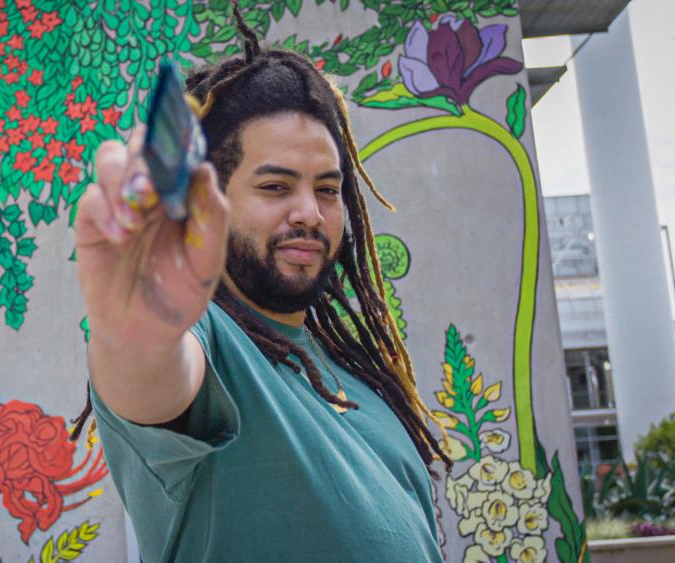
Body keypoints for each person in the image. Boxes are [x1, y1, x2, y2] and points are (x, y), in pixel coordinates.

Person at [71, 5, 452, 562]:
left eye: (327, 189)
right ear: (212, 199)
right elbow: (152, 374)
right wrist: (138, 330)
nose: (310, 214)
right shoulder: (208, 342)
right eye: (275, 186)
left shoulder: (352, 377)